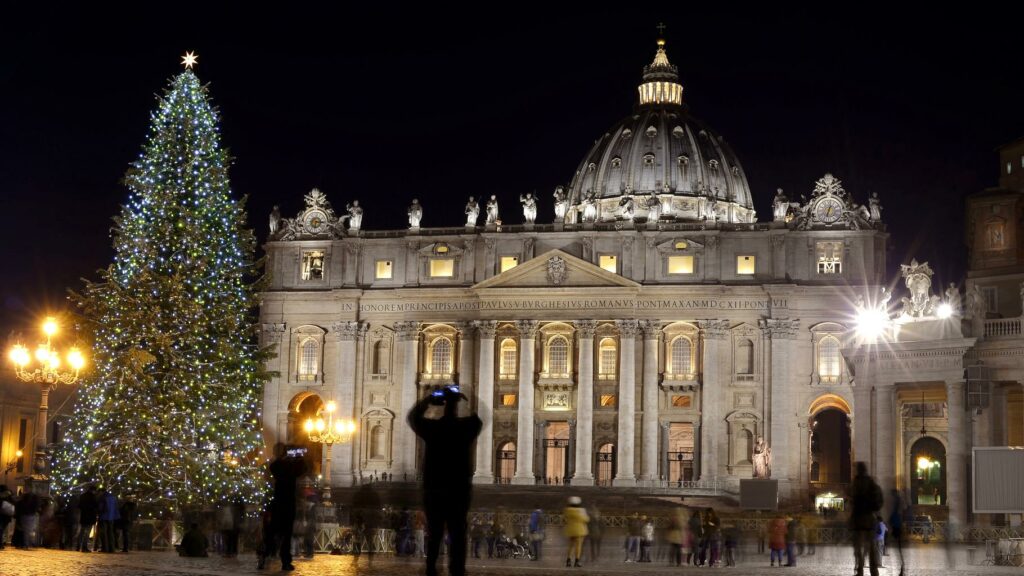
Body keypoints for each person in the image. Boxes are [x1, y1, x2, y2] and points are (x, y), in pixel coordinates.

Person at [408, 386, 482, 576]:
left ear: (443, 406)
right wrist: (466, 399)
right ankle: (457, 570)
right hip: (458, 491)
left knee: (435, 534)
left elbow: (413, 417)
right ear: (457, 406)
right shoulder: (465, 429)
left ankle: (431, 568)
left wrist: (429, 399)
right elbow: (480, 418)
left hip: (434, 490)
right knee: (458, 534)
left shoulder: (433, 429)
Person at [259, 443, 308, 571]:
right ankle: (285, 561)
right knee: (286, 534)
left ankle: (264, 555)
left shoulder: (276, 465)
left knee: (272, 532)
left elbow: (274, 468)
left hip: (277, 502)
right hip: (287, 503)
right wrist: (299, 458)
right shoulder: (290, 466)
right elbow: (302, 470)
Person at [848, 461, 884, 576]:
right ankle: (874, 571)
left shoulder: (855, 483)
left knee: (858, 548)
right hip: (869, 519)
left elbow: (850, 496)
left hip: (858, 519)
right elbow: (879, 498)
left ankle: (859, 570)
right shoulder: (871, 482)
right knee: (871, 547)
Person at [563, 496, 589, 568]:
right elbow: (586, 519)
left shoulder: (567, 510)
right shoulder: (581, 510)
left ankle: (568, 561)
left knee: (571, 545)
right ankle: (577, 561)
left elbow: (565, 519)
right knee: (578, 546)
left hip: (570, 530)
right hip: (579, 530)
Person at [888, 489, 906, 576]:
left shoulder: (896, 500)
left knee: (897, 546)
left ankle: (901, 564)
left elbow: (894, 512)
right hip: (897, 524)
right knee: (897, 546)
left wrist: (890, 519)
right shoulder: (898, 500)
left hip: (896, 525)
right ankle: (901, 564)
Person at [97, 488, 118, 553]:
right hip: (111, 517)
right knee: (110, 533)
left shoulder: (102, 497)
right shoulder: (113, 497)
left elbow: (100, 508)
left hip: (103, 517)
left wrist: (98, 513)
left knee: (103, 533)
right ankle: (111, 548)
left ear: (101, 491)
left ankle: (105, 548)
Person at [77, 485, 98, 552]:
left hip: (83, 516)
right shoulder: (93, 497)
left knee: (82, 532)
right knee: (87, 532)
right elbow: (95, 506)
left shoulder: (82, 496)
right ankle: (84, 547)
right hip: (90, 517)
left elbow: (79, 506)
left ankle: (78, 546)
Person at [0, 485, 14, 550]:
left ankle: (1, 543)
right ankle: (1, 543)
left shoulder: (1, 496)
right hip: (7, 516)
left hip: (2, 515)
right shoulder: (10, 495)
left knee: (1, 530)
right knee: (2, 530)